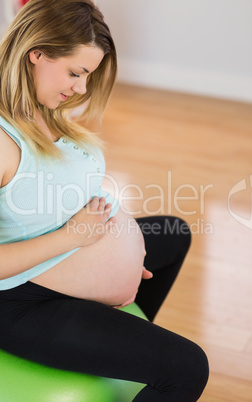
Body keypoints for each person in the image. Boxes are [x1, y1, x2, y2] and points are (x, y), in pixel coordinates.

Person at [0, 1, 209, 400]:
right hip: (20, 302)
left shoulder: (46, 110)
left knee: (173, 233)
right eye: (76, 72)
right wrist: (74, 239)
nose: (81, 88)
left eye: (88, 75)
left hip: (68, 260)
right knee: (187, 367)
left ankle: (122, 346)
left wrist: (118, 264)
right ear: (36, 53)